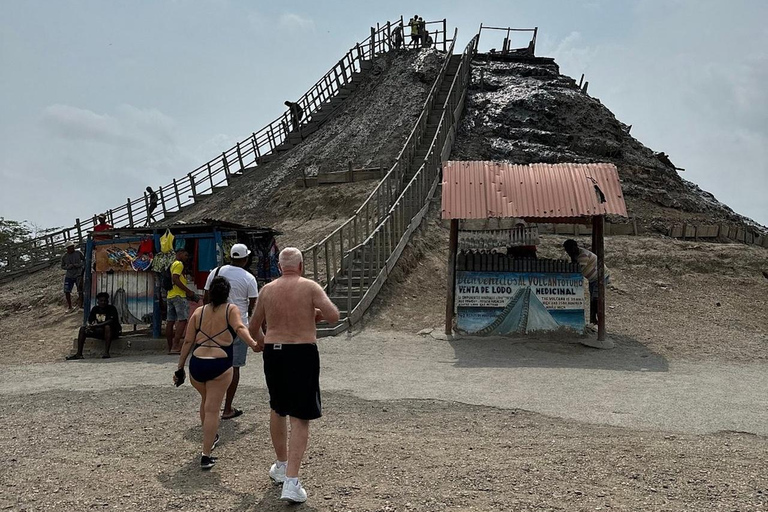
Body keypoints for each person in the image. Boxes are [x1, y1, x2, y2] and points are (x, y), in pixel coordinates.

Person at [249, 247, 339, 503]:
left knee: (277, 408)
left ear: (279, 267)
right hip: (302, 351)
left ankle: (280, 464)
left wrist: (263, 342)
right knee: (300, 416)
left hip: (274, 352)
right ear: (301, 266)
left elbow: (253, 327)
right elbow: (333, 316)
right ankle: (291, 480)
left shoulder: (267, 290)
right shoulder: (309, 287)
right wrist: (315, 315)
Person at [173, 276, 260, 470]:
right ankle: (205, 454)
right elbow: (239, 328)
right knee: (213, 409)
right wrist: (253, 344)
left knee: (206, 403)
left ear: (210, 293)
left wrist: (179, 368)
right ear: (227, 294)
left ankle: (210, 437)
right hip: (220, 365)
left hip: (197, 364)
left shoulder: (198, 312)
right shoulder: (231, 310)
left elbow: (187, 342)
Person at [203, 243, 259, 420]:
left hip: (215, 326)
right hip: (238, 327)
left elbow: (206, 298)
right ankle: (227, 408)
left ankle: (211, 405)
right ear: (245, 259)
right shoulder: (249, 278)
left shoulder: (216, 272)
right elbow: (253, 306)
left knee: (214, 365)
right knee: (233, 368)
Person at [563, 239, 610, 327]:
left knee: (596, 298)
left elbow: (576, 270)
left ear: (573, 248)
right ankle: (593, 320)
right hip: (593, 279)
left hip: (600, 277)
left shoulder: (582, 255)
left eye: (568, 250)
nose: (568, 253)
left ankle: (597, 320)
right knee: (593, 298)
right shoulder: (576, 254)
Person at [66, 292, 121, 360]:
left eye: (105, 301)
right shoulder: (95, 309)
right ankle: (79, 354)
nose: (103, 302)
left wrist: (97, 325)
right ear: (98, 301)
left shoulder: (111, 309)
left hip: (112, 332)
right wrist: (90, 326)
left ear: (107, 301)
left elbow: (111, 321)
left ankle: (106, 352)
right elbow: (90, 320)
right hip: (99, 331)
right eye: (101, 301)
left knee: (107, 327)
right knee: (83, 329)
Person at [166, 249, 197, 354]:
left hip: (170, 295)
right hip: (178, 296)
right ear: (179, 254)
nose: (187, 257)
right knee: (182, 320)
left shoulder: (172, 264)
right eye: (185, 255)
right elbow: (175, 279)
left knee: (170, 321)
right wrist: (188, 291)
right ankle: (175, 346)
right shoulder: (179, 264)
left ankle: (170, 347)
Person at [61, 241, 84, 311]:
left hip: (78, 274)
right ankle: (70, 306)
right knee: (66, 291)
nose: (72, 248)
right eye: (70, 247)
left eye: (73, 247)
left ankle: (81, 305)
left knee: (80, 290)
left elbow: (84, 261)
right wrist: (68, 267)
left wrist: (78, 265)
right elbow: (62, 266)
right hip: (69, 275)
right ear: (67, 248)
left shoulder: (79, 253)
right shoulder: (64, 256)